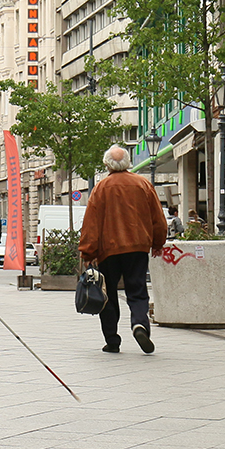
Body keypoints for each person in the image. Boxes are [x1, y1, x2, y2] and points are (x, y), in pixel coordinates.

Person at [79, 145, 168, 355]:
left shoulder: (101, 188)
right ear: (127, 162)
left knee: (107, 293)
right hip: (137, 247)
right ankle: (139, 324)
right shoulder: (143, 184)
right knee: (137, 290)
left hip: (108, 250)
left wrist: (88, 252)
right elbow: (158, 218)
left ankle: (112, 340)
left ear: (107, 164)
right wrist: (158, 243)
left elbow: (91, 223)